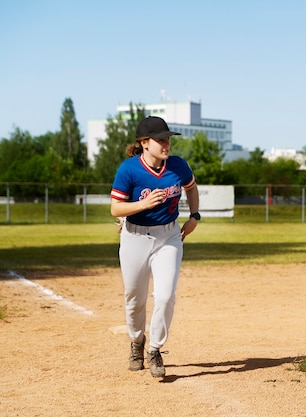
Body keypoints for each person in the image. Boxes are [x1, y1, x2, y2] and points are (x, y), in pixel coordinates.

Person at [110, 116, 201, 378]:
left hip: (169, 237)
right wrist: (143, 205)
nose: (166, 144)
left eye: (168, 139)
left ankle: (155, 349)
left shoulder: (177, 166)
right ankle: (137, 341)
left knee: (165, 295)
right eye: (160, 139)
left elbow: (191, 188)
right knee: (134, 297)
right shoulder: (129, 169)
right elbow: (115, 208)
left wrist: (194, 216)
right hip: (134, 237)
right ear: (144, 143)